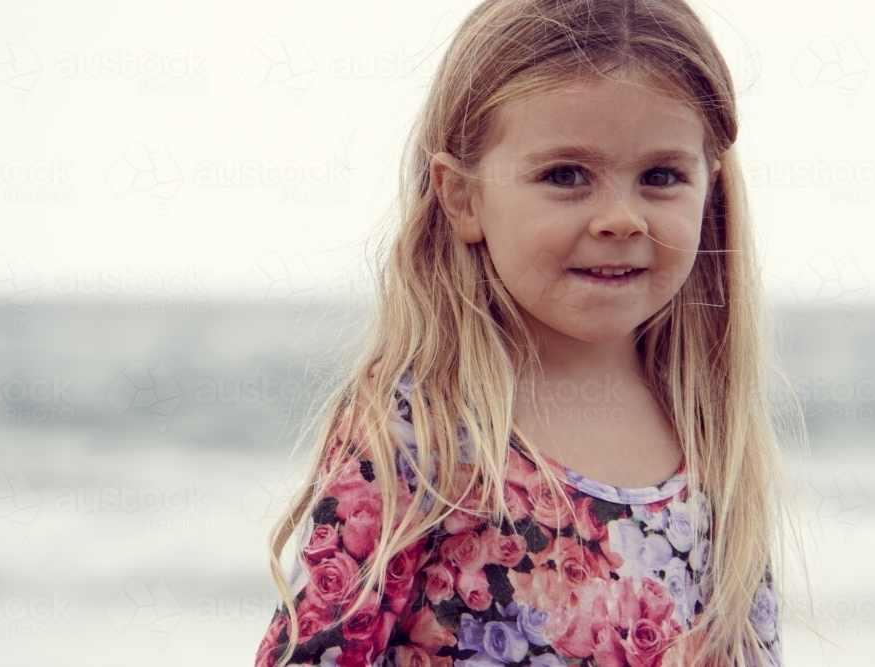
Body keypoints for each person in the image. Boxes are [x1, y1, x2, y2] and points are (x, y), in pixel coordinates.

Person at [256, 1, 794, 665]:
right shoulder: (419, 426)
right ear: (464, 197)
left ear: (709, 189)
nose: (621, 218)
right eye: (565, 175)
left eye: (661, 176)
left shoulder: (713, 436)